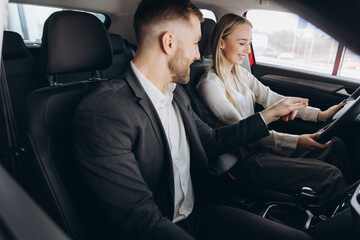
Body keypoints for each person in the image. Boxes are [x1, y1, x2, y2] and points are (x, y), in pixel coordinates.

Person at [72, 1, 317, 239]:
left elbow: (211, 141)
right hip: (162, 226)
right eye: (195, 43)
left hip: (200, 213)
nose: (198, 55)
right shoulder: (104, 112)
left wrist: (269, 114)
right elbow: (140, 221)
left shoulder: (176, 92)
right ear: (169, 42)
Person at [196, 13, 350, 199]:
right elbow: (244, 129)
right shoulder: (209, 84)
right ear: (222, 43)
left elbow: (272, 98)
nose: (247, 50)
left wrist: (320, 115)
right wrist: (297, 141)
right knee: (331, 176)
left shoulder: (240, 74)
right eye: (242, 43)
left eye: (249, 43)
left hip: (261, 147)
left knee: (335, 146)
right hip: (242, 160)